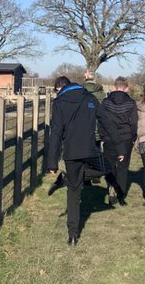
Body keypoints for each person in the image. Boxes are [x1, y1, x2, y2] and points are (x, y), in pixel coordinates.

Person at [47, 75, 116, 246]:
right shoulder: (90, 98)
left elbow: (55, 132)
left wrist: (52, 162)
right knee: (107, 169)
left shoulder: (60, 102)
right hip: (89, 148)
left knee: (74, 191)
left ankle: (72, 233)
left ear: (59, 87)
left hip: (71, 151)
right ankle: (73, 234)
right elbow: (105, 120)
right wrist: (118, 143)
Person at [99, 77, 138, 206]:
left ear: (114, 87)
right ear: (126, 88)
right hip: (125, 138)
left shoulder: (105, 102)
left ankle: (111, 188)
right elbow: (134, 122)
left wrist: (103, 135)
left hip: (109, 138)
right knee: (123, 168)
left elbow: (101, 120)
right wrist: (133, 137)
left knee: (110, 165)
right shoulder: (131, 103)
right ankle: (121, 196)